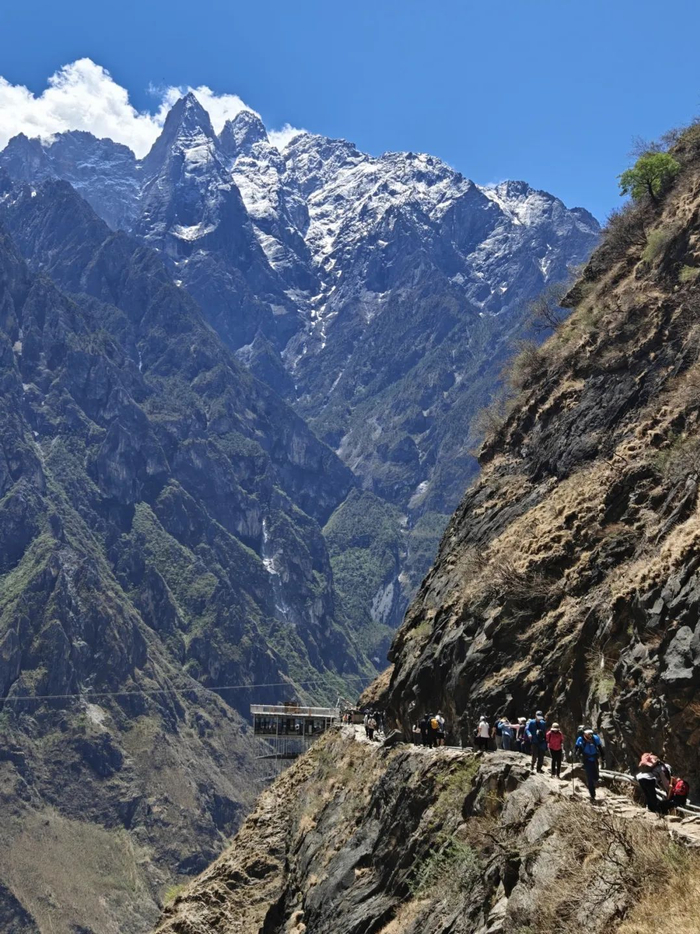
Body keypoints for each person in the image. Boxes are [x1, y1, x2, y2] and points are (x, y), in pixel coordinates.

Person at [575, 728, 604, 802]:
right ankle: (592, 794)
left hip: (594, 759)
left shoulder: (595, 738)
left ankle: (595, 783)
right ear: (584, 734)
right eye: (588, 734)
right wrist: (575, 754)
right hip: (586, 760)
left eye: (591, 733)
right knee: (589, 777)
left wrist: (603, 756)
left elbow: (600, 748)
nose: (590, 735)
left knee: (595, 776)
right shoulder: (580, 739)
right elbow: (576, 748)